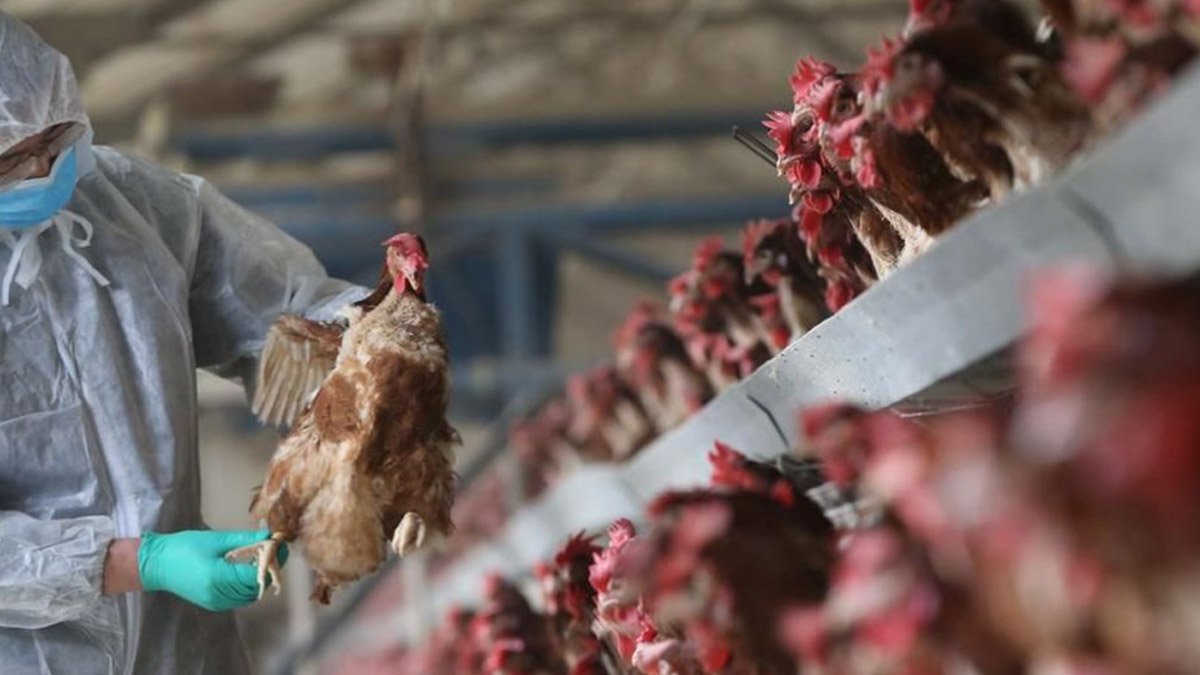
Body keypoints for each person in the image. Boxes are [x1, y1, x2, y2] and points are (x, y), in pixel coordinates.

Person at [0, 13, 365, 675]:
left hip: (185, 654)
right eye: (10, 160)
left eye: (53, 138)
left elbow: (282, 309)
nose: (43, 170)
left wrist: (371, 354)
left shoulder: (120, 202)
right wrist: (147, 562)